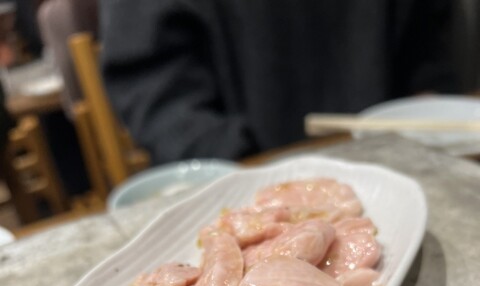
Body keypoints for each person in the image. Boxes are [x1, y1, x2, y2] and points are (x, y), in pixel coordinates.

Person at [100, 0, 459, 166]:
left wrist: (431, 99)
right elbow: (151, 87)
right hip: (242, 173)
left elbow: (426, 38)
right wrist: (240, 160)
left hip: (400, 156)